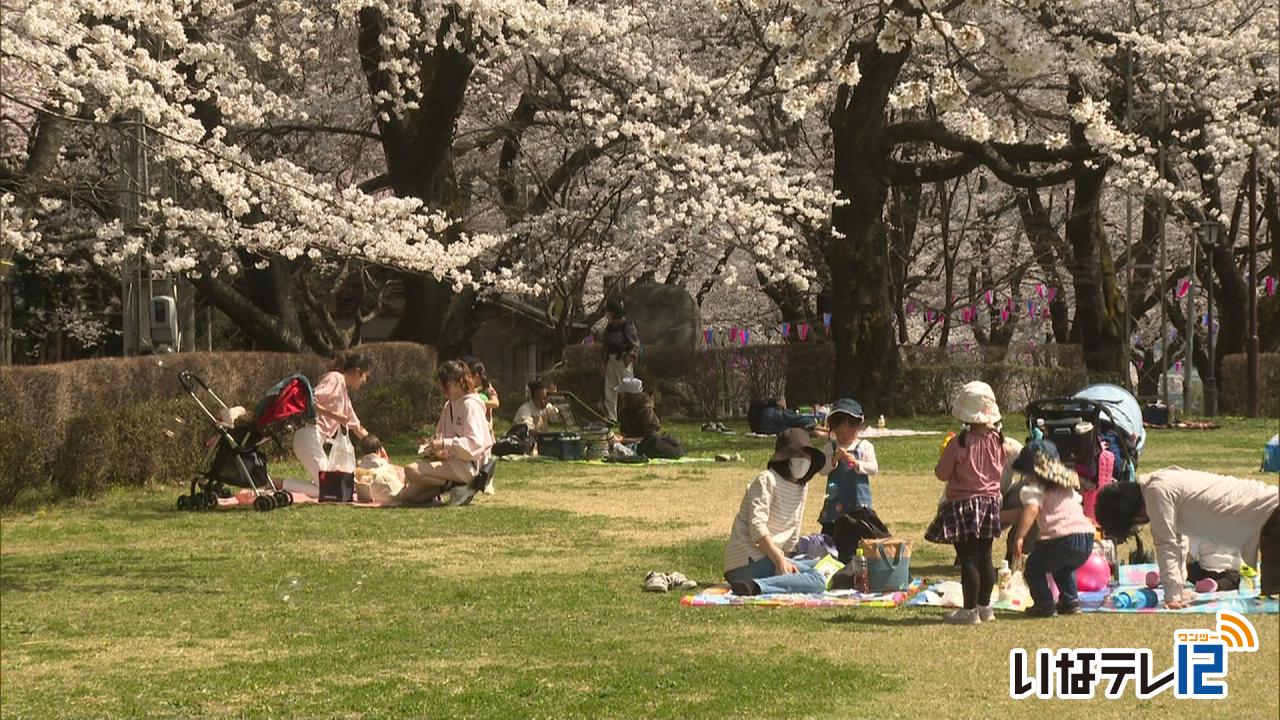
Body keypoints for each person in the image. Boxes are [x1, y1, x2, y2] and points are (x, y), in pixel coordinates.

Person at [1094, 467, 1279, 608]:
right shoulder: (1159, 482)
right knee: (1272, 590)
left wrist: (1173, 597)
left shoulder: (1158, 492)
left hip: (1269, 518)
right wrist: (1179, 589)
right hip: (1266, 519)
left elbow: (1166, 544)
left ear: (1131, 514)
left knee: (1274, 591)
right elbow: (1179, 541)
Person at [925, 381, 1008, 624]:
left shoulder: (959, 443)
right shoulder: (998, 441)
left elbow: (942, 473)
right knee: (986, 556)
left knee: (968, 558)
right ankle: (985, 607)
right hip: (990, 504)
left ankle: (969, 611)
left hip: (963, 505)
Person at [723, 428, 829, 596]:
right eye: (798, 456)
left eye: (807, 456)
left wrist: (785, 563)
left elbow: (792, 533)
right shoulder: (766, 479)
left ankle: (768, 583)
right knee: (818, 580)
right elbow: (757, 528)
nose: (803, 461)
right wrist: (779, 560)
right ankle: (756, 586)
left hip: (771, 559)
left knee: (824, 568)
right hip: (746, 561)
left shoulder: (802, 487)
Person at [1009, 441, 1098, 617]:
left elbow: (1032, 509)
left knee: (1033, 569)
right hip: (1085, 537)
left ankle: (1044, 604)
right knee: (1064, 568)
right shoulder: (1066, 487)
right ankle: (1070, 601)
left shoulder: (1035, 488)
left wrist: (1020, 537)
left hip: (1060, 537)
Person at [399, 360, 495, 507]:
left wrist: (445, 444)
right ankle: (450, 487)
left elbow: (475, 444)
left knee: (410, 470)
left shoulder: (470, 405)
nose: (442, 388)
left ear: (459, 382)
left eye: (445, 383)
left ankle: (458, 486)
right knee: (407, 497)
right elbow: (440, 436)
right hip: (449, 463)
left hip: (466, 466)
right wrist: (431, 447)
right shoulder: (449, 405)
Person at [292, 351, 372, 484]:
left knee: (329, 486)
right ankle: (277, 484)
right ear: (358, 372)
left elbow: (357, 428)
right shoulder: (335, 379)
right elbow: (309, 401)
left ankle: (278, 484)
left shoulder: (344, 396)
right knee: (329, 485)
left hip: (313, 440)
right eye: (366, 376)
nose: (365, 381)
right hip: (308, 437)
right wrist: (334, 415)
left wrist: (378, 449)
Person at [816, 398, 879, 535]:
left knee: (860, 530)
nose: (845, 437)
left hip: (858, 499)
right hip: (836, 500)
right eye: (840, 433)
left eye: (850, 432)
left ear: (858, 428)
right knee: (833, 532)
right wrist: (833, 460)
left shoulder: (865, 446)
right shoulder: (830, 448)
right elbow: (822, 470)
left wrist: (857, 464)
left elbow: (874, 468)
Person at [615, 378, 683, 459]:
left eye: (623, 395)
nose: (621, 398)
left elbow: (649, 438)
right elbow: (624, 433)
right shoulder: (626, 410)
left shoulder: (646, 412)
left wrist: (623, 440)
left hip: (647, 445)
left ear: (631, 396)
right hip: (633, 444)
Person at [602, 299, 640, 422]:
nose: (606, 314)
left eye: (608, 311)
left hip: (623, 359)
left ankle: (632, 416)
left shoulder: (627, 325)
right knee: (610, 388)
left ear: (613, 312)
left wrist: (630, 356)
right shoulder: (610, 327)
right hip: (611, 359)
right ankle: (611, 417)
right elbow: (606, 344)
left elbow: (635, 344)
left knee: (628, 389)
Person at [464, 356, 500, 424]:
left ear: (476, 376)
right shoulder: (468, 388)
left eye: (469, 376)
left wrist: (478, 402)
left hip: (485, 424)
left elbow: (495, 403)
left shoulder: (487, 387)